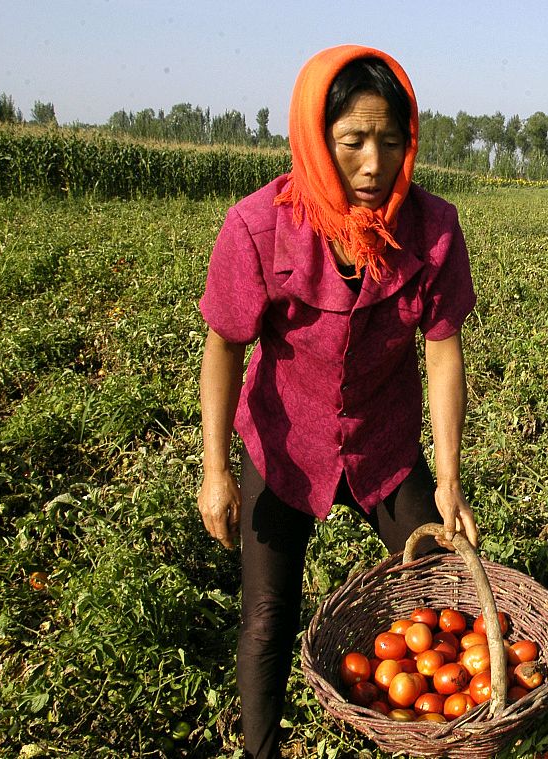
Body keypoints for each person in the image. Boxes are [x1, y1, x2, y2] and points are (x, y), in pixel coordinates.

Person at [196, 45, 479, 758]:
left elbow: (442, 352)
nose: (373, 162)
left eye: (390, 140)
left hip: (382, 443)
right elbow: (224, 348)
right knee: (265, 618)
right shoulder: (258, 226)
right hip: (285, 443)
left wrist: (447, 478)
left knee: (444, 598)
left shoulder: (433, 229)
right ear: (316, 139)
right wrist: (216, 469)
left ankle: (439, 736)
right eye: (353, 141)